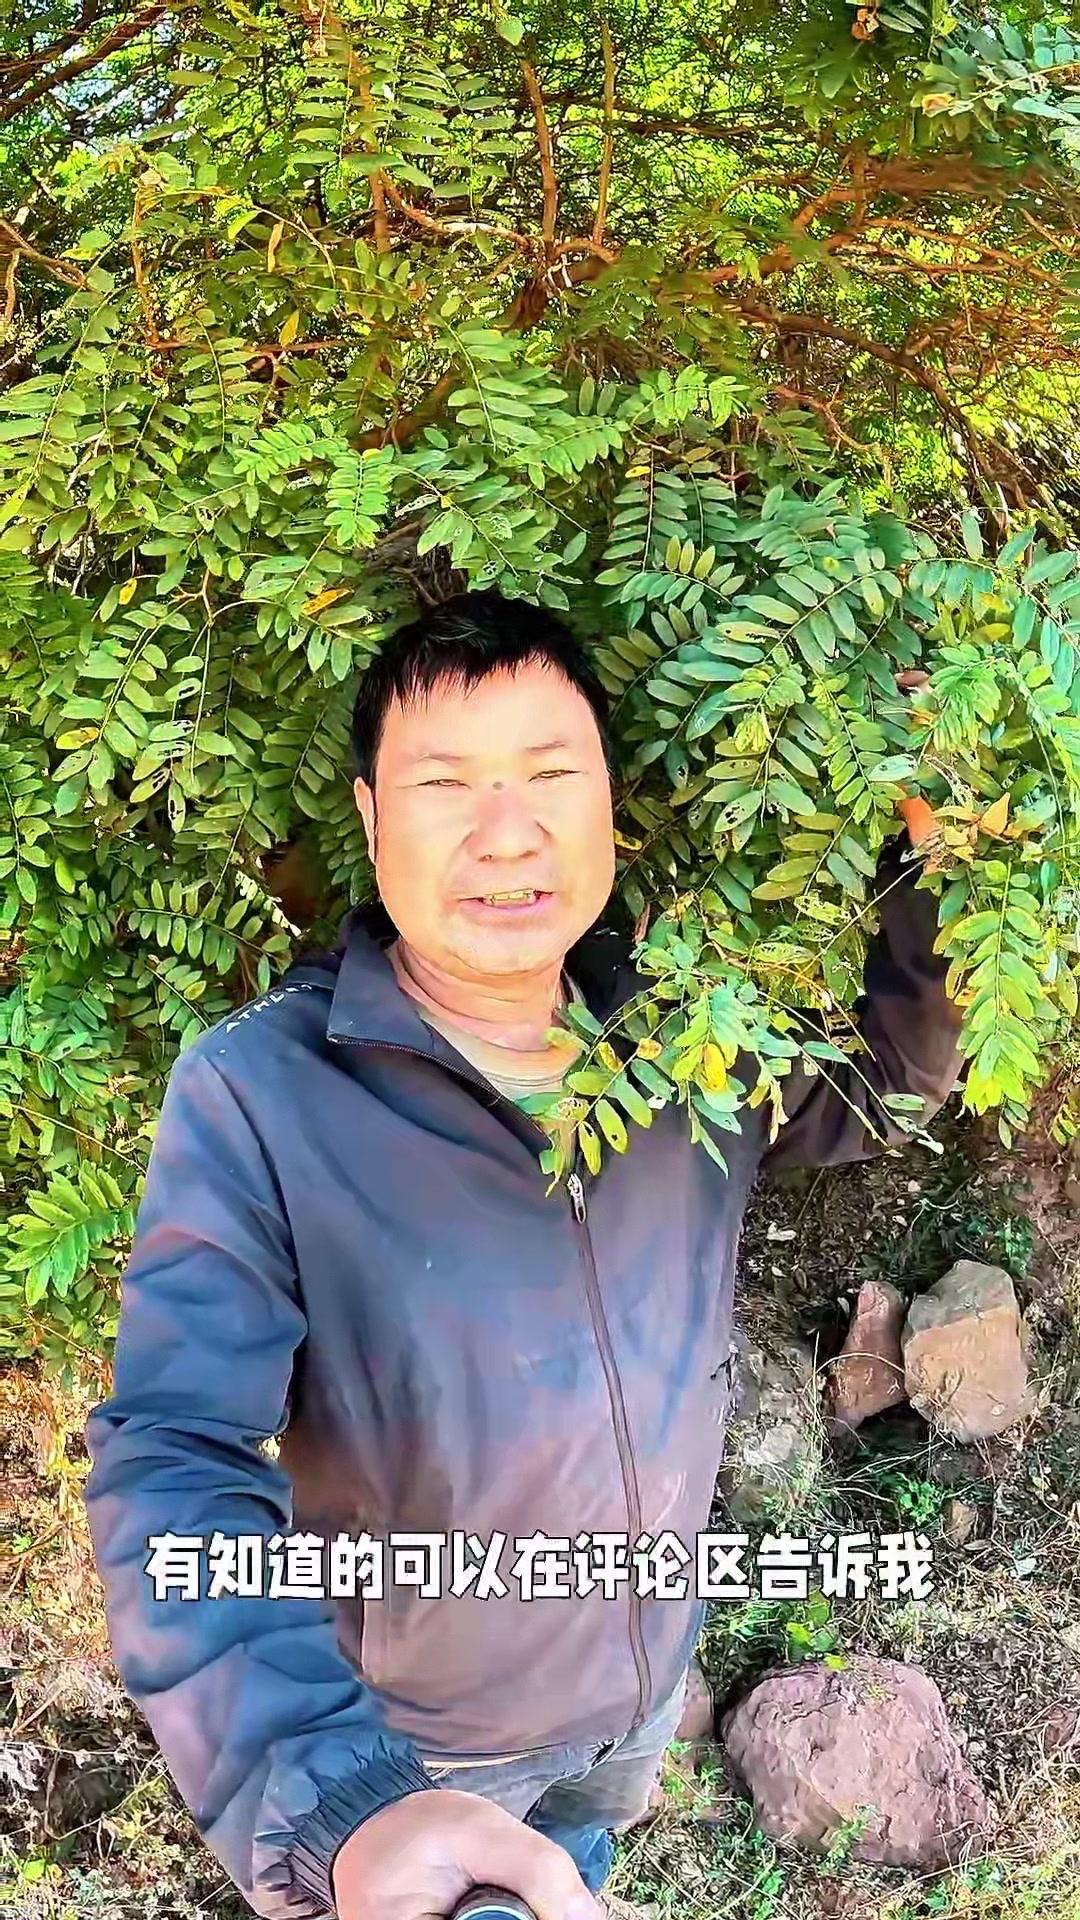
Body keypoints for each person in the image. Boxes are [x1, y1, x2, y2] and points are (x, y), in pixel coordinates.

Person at [84, 591, 961, 1920]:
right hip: (421, 1750)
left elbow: (885, 1079)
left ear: (611, 807)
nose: (507, 832)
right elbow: (173, 1455)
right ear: (373, 818)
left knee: (584, 1861)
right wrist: (341, 1802)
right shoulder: (261, 1094)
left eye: (552, 776)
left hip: (636, 1689)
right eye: (445, 785)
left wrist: (933, 844)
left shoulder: (681, 1040)